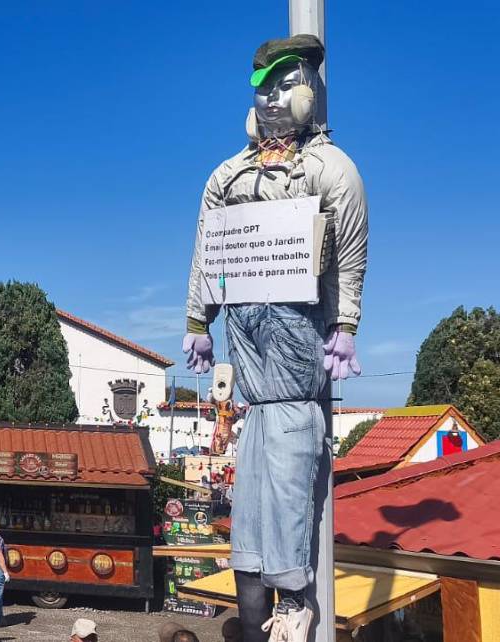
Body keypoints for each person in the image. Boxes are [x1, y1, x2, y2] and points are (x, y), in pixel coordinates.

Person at [181, 34, 366, 642]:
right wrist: (197, 322)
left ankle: (294, 597)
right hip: (249, 363)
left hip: (294, 359)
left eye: (286, 85)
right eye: (264, 87)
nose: (272, 99)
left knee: (290, 455)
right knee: (252, 487)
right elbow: (206, 250)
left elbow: (349, 253)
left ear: (311, 88)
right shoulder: (227, 173)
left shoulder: (330, 168)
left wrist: (345, 326)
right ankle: (254, 600)